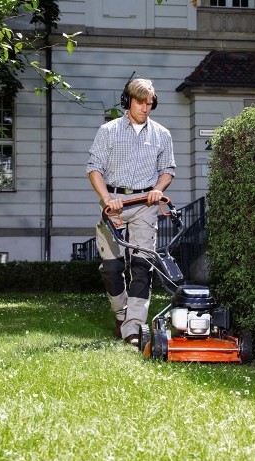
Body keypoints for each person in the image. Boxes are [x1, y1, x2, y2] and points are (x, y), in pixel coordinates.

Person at [87, 78, 176, 346]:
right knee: (111, 268)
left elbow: (167, 170)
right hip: (114, 205)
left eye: (150, 103)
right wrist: (106, 199)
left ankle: (133, 329)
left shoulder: (162, 134)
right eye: (140, 102)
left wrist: (158, 189)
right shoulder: (108, 131)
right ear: (128, 101)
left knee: (141, 266)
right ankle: (122, 315)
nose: (145, 108)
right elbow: (94, 168)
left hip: (145, 207)